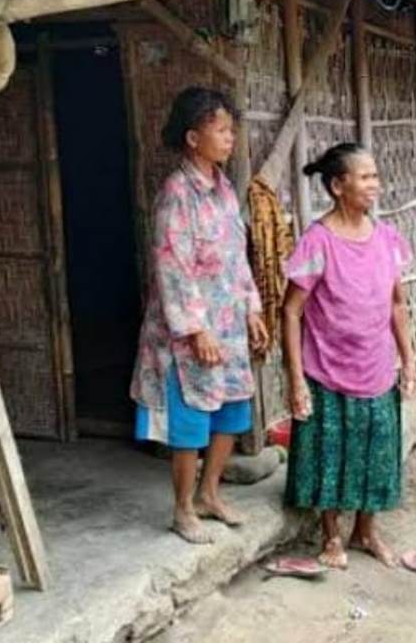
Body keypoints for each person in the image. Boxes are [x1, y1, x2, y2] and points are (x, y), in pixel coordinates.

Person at [130, 87, 269, 545]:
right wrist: (196, 329)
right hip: (190, 334)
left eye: (232, 129)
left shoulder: (225, 190)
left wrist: (251, 308)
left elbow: (236, 257)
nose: (231, 138)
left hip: (228, 324)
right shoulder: (177, 194)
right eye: (221, 130)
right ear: (193, 137)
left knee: (230, 412)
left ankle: (210, 495)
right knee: (189, 424)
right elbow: (172, 265)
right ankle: (183, 509)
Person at [281, 142, 416, 569]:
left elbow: (397, 304)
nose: (374, 185)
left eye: (375, 176)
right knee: (329, 452)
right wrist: (296, 378)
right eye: (365, 177)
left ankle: (365, 531)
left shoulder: (387, 239)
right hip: (326, 368)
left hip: (376, 367)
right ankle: (331, 536)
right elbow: (291, 310)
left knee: (377, 453)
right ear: (338, 186)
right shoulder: (317, 241)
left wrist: (409, 360)